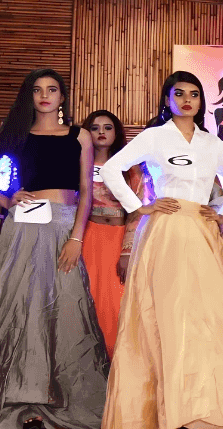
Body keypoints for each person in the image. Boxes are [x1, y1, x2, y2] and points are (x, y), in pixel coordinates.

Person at [99, 71, 223, 428]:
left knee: (208, 314)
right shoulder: (155, 136)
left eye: (194, 94)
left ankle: (204, 401)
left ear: (202, 101)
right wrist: (139, 206)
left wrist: (222, 214)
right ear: (167, 99)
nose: (187, 100)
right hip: (165, 230)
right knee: (167, 312)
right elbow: (112, 169)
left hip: (202, 231)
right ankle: (166, 404)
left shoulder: (210, 142)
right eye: (179, 94)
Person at [0, 68, 109, 429]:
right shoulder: (18, 135)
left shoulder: (79, 136)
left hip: (64, 227)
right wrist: (6, 201)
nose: (44, 95)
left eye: (52, 89)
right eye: (37, 90)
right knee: (17, 308)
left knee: (67, 310)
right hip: (24, 227)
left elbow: (86, 192)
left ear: (62, 97)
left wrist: (76, 238)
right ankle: (19, 400)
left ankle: (59, 400)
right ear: (29, 96)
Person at [82, 109, 142, 357]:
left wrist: (127, 251)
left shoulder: (129, 168)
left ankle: (116, 362)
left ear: (116, 133)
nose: (101, 132)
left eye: (107, 128)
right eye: (95, 128)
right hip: (88, 236)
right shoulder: (79, 163)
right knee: (89, 298)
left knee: (117, 302)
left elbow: (137, 211)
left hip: (118, 238)